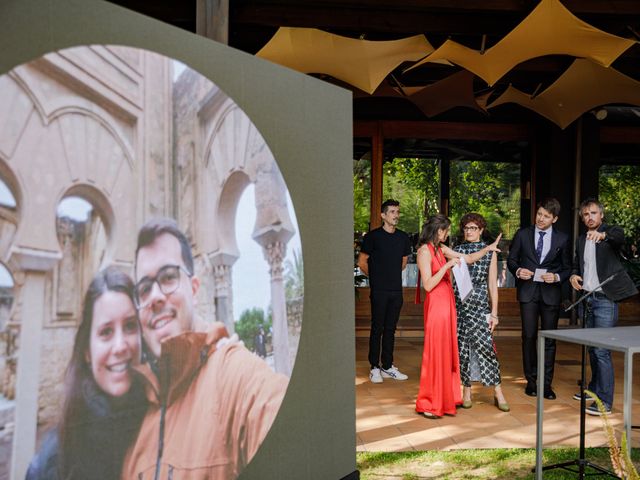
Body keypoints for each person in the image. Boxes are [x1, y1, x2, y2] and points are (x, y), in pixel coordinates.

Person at [122, 218, 288, 479]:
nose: (154, 296)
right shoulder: (138, 414)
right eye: (143, 289)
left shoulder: (235, 378)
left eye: (168, 277)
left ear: (194, 289)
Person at [26, 267, 147, 480]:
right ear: (87, 352)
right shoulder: (53, 461)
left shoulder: (161, 427)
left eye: (130, 326)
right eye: (106, 332)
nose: (120, 346)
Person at [415, 214, 500, 419]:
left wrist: (487, 249)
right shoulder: (424, 251)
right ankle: (429, 401)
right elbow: (427, 285)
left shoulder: (441, 248)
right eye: (445, 230)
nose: (447, 233)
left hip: (448, 304)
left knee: (447, 352)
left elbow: (469, 258)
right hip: (436, 304)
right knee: (435, 352)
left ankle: (445, 399)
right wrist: (446, 266)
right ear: (437, 230)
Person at [570, 198, 637, 415]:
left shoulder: (610, 234)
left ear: (601, 215)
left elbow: (620, 236)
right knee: (592, 348)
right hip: (588, 299)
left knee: (602, 351)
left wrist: (604, 235)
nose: (590, 217)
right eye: (586, 215)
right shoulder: (581, 240)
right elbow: (576, 264)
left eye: (593, 213)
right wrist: (573, 275)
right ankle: (594, 390)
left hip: (605, 300)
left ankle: (605, 403)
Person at [507, 198, 571, 400]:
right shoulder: (523, 234)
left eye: (546, 216)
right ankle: (532, 382)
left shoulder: (563, 238)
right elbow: (511, 260)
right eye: (539, 214)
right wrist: (518, 271)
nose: (541, 219)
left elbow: (568, 267)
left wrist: (557, 277)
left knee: (550, 339)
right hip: (528, 292)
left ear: (555, 219)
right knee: (528, 336)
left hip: (551, 293)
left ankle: (547, 384)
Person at [453, 213, 509, 412]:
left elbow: (492, 284)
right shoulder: (457, 250)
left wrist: (494, 313)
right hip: (461, 307)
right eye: (466, 228)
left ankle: (498, 391)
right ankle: (466, 390)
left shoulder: (490, 252)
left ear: (481, 230)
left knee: (486, 348)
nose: (469, 231)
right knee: (464, 349)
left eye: (473, 228)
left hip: (480, 307)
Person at [358, 199, 411, 383]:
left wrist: (390, 275)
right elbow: (362, 262)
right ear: (383, 215)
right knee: (377, 328)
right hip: (379, 290)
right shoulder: (373, 237)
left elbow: (403, 263)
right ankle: (374, 367)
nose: (396, 215)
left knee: (390, 329)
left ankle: (387, 366)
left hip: (396, 291)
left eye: (397, 212)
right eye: (392, 212)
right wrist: (376, 278)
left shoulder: (403, 237)